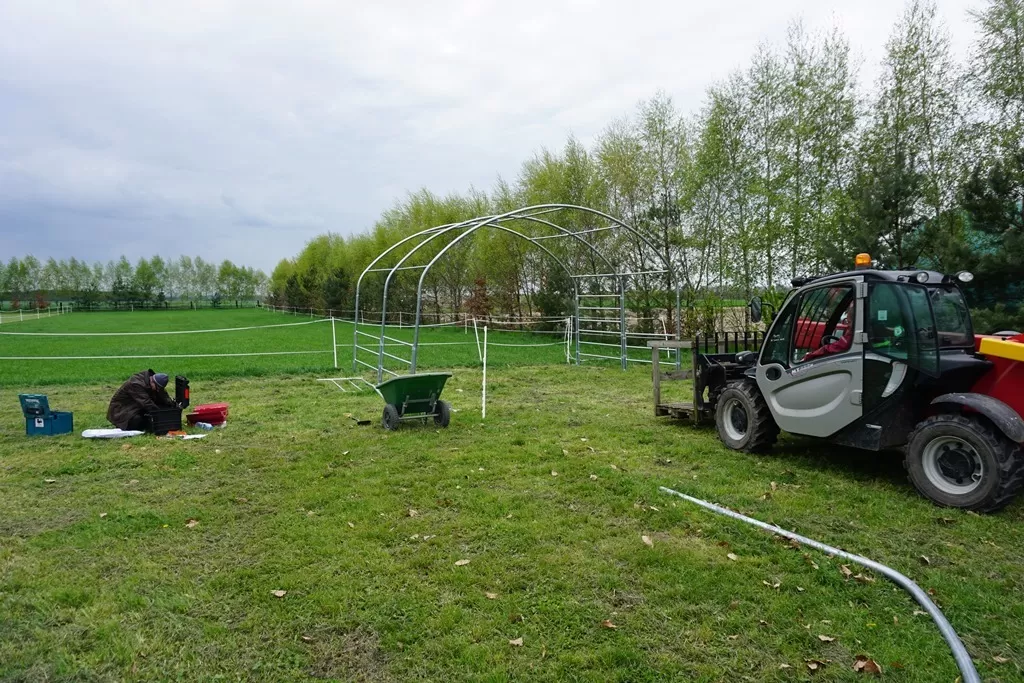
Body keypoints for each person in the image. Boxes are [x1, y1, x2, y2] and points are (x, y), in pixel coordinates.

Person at [107, 369, 177, 431]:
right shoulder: (136, 384)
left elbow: (162, 394)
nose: (157, 390)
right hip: (121, 410)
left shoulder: (152, 380)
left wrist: (170, 404)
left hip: (135, 405)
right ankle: (124, 424)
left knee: (153, 412)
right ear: (152, 381)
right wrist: (161, 415)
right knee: (138, 421)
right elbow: (146, 402)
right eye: (157, 387)